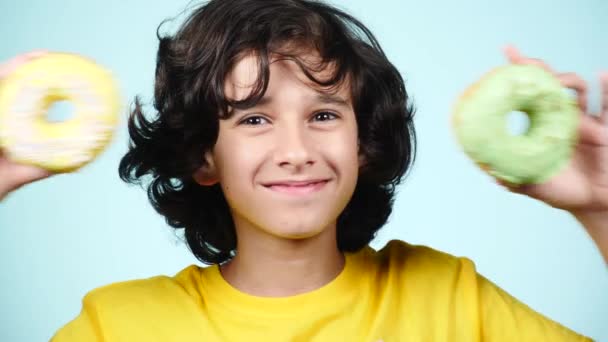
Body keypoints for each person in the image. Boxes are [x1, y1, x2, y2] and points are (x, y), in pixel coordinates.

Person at [1, 0, 606, 340]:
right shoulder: (117, 326)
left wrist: (600, 207)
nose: (296, 149)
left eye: (322, 114)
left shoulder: (452, 301)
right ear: (203, 158)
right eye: (254, 120)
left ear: (363, 143)